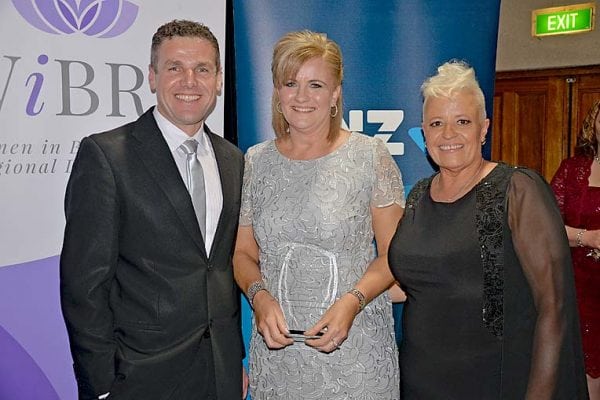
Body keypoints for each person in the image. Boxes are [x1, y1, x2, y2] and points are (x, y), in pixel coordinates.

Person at [60, 20, 246, 399]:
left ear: (218, 80)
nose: (189, 81)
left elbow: (218, 271)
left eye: (202, 69)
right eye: (175, 67)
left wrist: (232, 361)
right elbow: (84, 284)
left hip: (219, 374)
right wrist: (101, 383)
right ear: (152, 76)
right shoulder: (107, 156)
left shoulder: (233, 159)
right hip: (138, 377)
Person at [388, 60, 589, 399]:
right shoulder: (419, 194)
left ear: (484, 129)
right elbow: (419, 283)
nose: (448, 134)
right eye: (437, 123)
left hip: (494, 381)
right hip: (421, 380)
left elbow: (553, 308)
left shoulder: (518, 189)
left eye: (462, 121)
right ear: (424, 133)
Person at [233, 30, 404, 399]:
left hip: (355, 353)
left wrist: (353, 302)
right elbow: (243, 254)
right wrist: (259, 298)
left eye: (315, 85)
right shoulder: (256, 161)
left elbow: (395, 255)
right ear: (277, 92)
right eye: (290, 83)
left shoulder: (369, 155)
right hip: (278, 359)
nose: (301, 96)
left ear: (335, 93)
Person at [551, 99, 600, 400]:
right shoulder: (572, 170)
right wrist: (588, 238)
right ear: (593, 124)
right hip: (579, 289)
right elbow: (546, 228)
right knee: (586, 377)